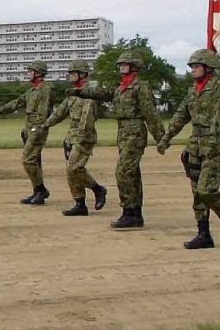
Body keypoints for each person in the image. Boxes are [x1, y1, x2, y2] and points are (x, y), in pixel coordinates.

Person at [69, 51, 165, 228]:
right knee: (132, 173)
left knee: (123, 171)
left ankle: (128, 210)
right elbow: (104, 93)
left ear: (134, 66)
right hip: (123, 131)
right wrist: (82, 92)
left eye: (125, 64)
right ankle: (135, 213)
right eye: (120, 64)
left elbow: (150, 114)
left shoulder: (140, 87)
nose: (121, 66)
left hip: (135, 131)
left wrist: (160, 137)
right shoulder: (121, 86)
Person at [156, 49, 220, 250]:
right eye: (192, 66)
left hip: (214, 146)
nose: (193, 70)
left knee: (206, 190)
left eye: (196, 66)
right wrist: (166, 138)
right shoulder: (193, 90)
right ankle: (204, 234)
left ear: (208, 68)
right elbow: (180, 116)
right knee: (197, 195)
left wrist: (213, 136)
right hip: (195, 146)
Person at [44, 60, 108, 216]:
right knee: (72, 171)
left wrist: (80, 135)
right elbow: (59, 113)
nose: (70, 76)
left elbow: (87, 117)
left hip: (84, 136)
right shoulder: (72, 93)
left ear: (83, 74)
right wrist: (43, 125)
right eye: (70, 73)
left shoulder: (89, 92)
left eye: (74, 73)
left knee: (73, 168)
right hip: (71, 137)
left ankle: (97, 189)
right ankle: (80, 203)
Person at [0, 60, 55, 205]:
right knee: (34, 161)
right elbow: (17, 103)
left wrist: (37, 128)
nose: (28, 73)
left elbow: (43, 111)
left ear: (39, 73)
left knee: (27, 159)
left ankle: (41, 190)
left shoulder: (46, 89)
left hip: (37, 129)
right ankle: (37, 191)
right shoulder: (31, 91)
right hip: (29, 129)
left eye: (31, 71)